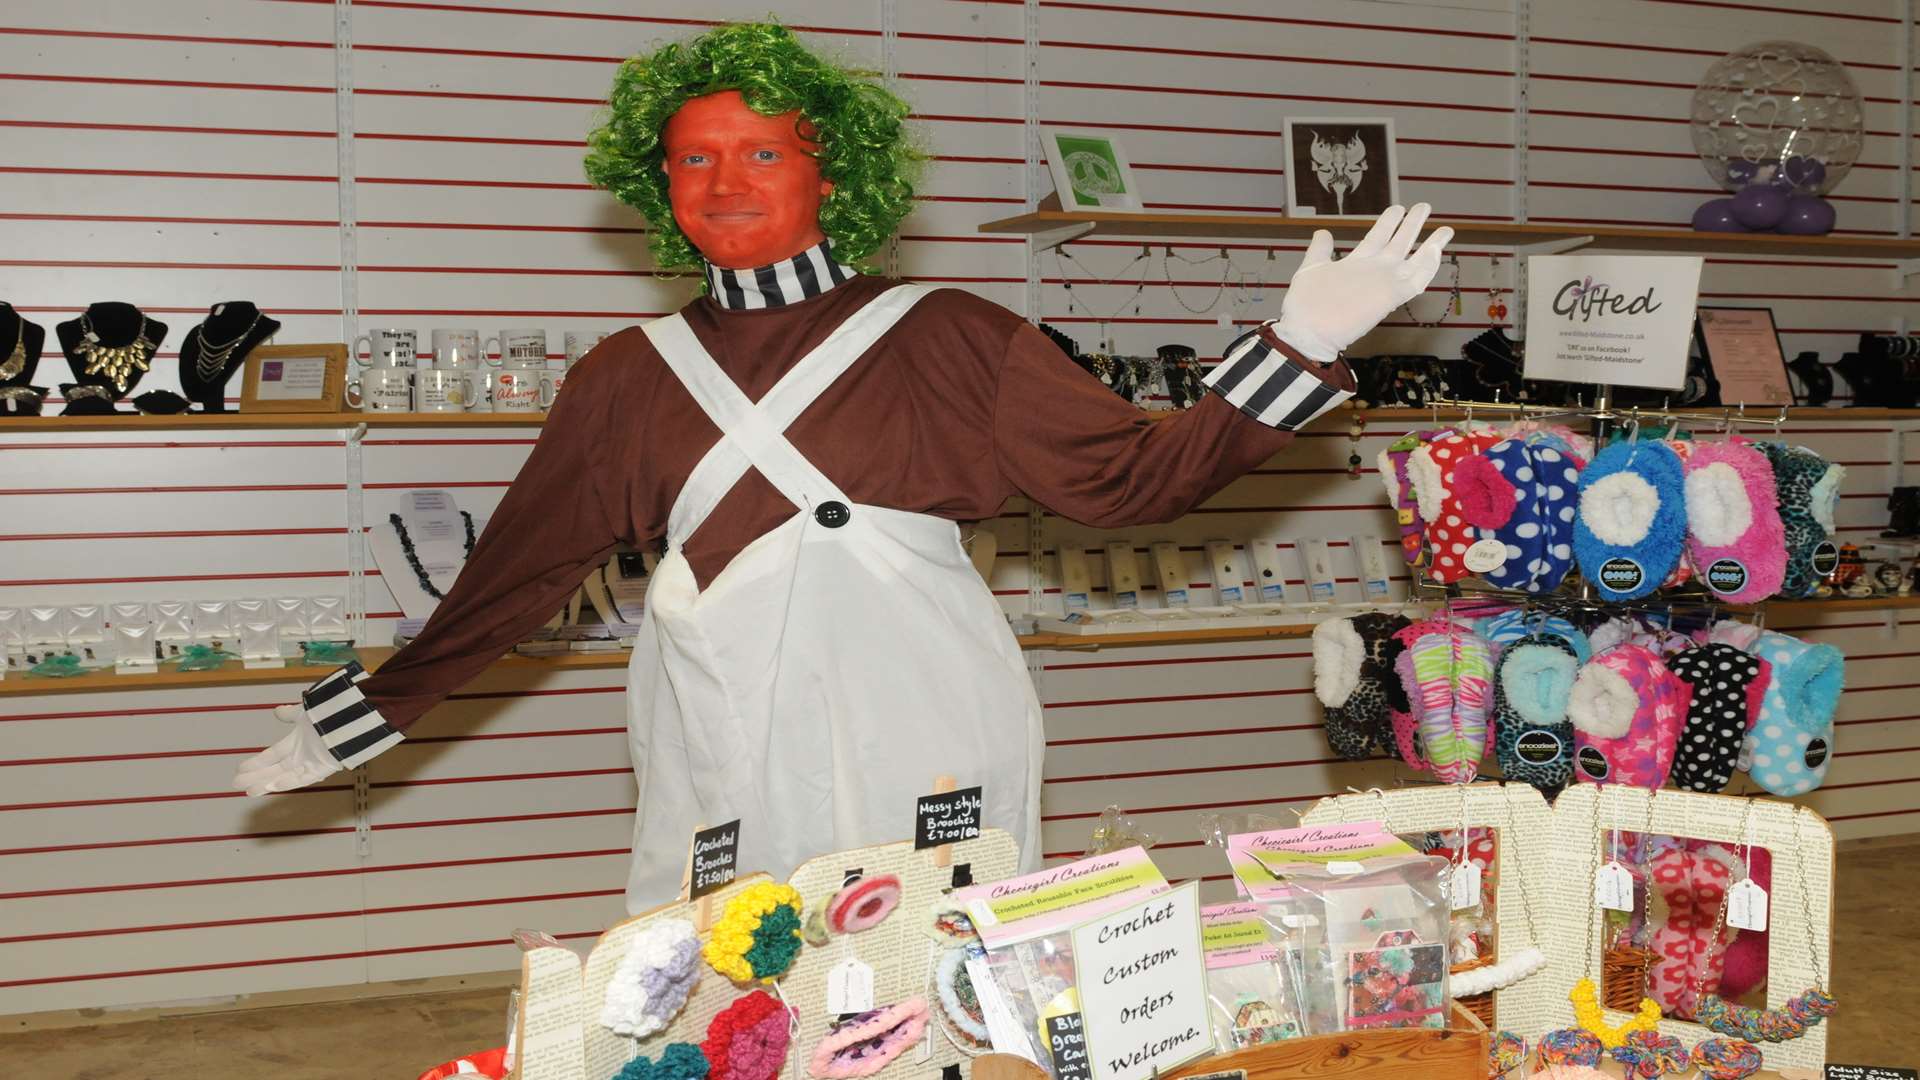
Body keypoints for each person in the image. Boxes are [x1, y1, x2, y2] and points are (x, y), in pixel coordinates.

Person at [234, 22, 1452, 911]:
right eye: (693, 158)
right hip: (715, 719)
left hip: (917, 721)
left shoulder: (951, 336)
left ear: (834, 174)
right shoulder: (627, 374)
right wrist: (369, 718)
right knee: (722, 963)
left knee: (926, 960)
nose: (723, 184)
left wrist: (1302, 344)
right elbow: (514, 571)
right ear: (657, 185)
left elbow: (1129, 488)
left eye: (763, 155)